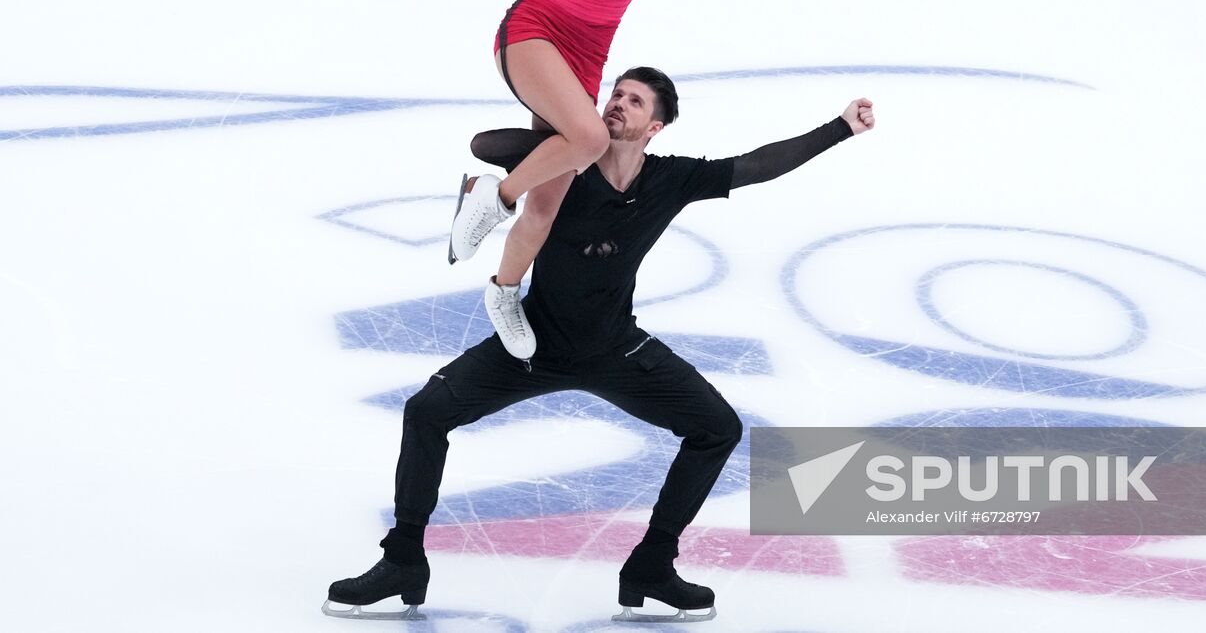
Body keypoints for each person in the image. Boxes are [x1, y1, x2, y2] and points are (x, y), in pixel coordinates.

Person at [323, 67, 876, 623]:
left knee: (718, 429)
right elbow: (485, 145)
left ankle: (651, 567)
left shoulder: (671, 179)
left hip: (616, 351)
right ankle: (402, 564)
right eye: (615, 94)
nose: (617, 104)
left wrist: (841, 128)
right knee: (426, 412)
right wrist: (559, 138)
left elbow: (758, 166)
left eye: (633, 102)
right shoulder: (562, 166)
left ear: (655, 126)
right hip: (528, 347)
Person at [319, 0, 699, 360]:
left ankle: (503, 291)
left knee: (547, 203)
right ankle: (492, 197)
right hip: (536, 31)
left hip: (589, 50)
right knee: (591, 137)